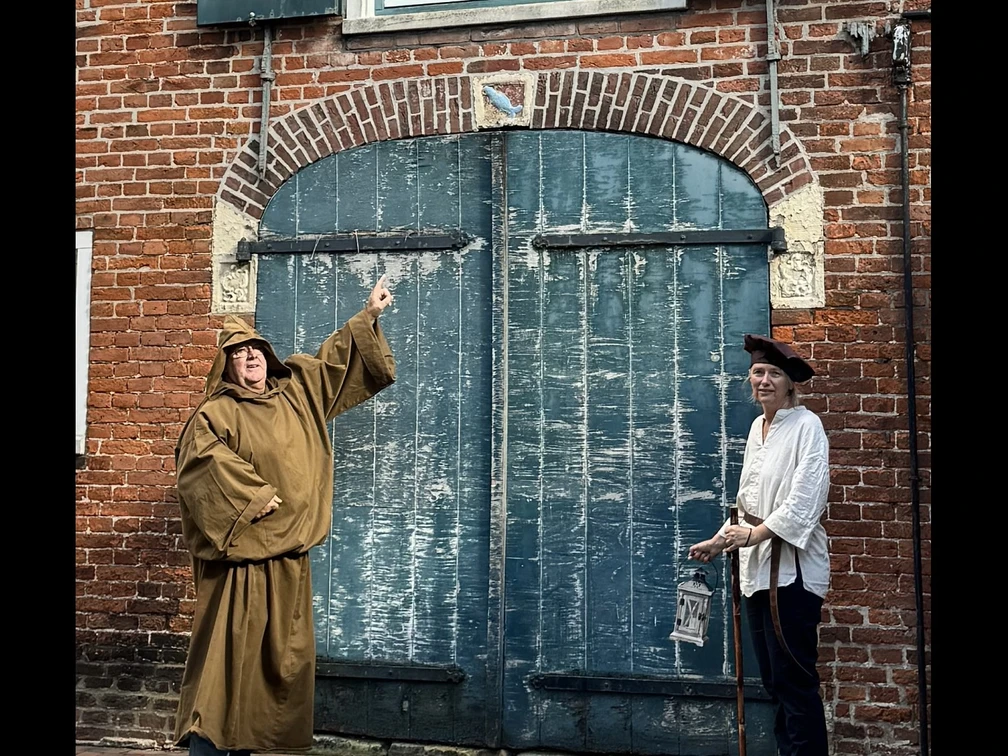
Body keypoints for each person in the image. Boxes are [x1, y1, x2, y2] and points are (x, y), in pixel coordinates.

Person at [172, 275, 396, 756]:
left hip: (288, 562)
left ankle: (250, 749)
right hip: (239, 566)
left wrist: (368, 316)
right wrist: (251, 497)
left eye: (256, 349)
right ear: (225, 365)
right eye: (238, 352)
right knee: (226, 670)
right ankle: (208, 752)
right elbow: (199, 465)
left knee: (275, 670)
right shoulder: (215, 414)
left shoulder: (294, 393)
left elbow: (332, 363)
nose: (250, 357)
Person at [688, 334, 830, 756]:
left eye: (773, 374)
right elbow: (747, 500)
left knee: (794, 680)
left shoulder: (807, 426)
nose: (764, 381)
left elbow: (807, 498)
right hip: (755, 568)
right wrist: (720, 540)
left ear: (790, 384)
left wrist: (756, 535)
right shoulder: (757, 428)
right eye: (757, 373)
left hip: (791, 572)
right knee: (773, 679)